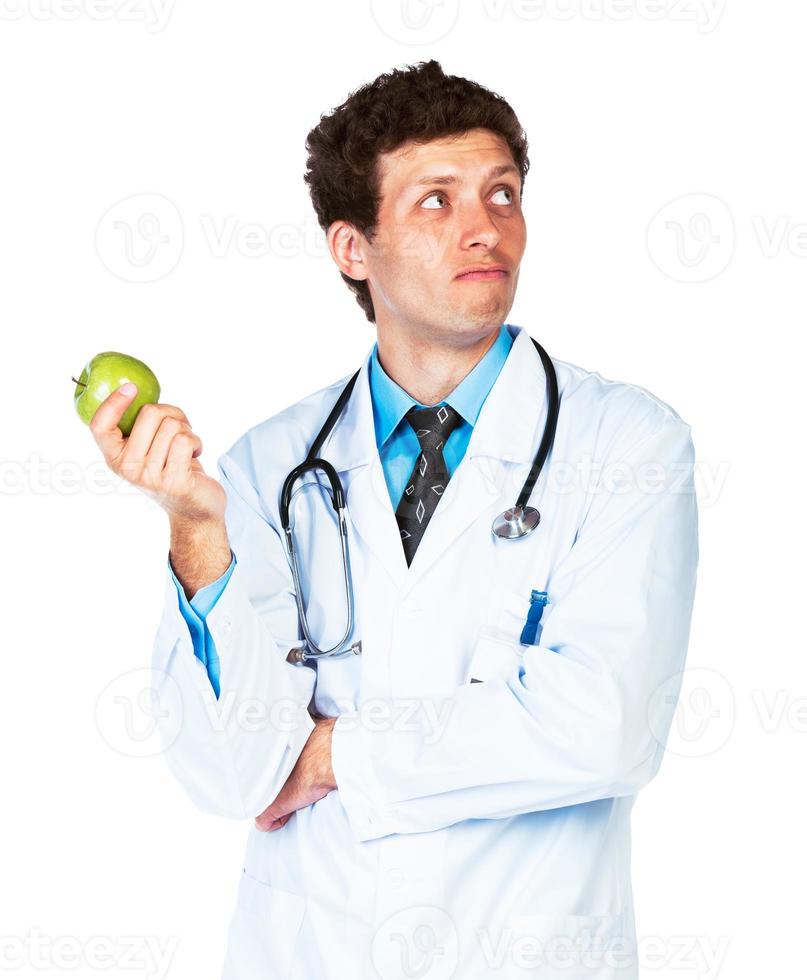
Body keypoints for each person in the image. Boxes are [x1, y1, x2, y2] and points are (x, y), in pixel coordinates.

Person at [90, 60, 698, 980]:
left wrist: (334, 753)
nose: (483, 227)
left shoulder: (630, 443)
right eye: (435, 202)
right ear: (352, 249)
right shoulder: (266, 466)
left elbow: (605, 728)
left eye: (501, 194)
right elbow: (230, 773)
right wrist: (199, 536)